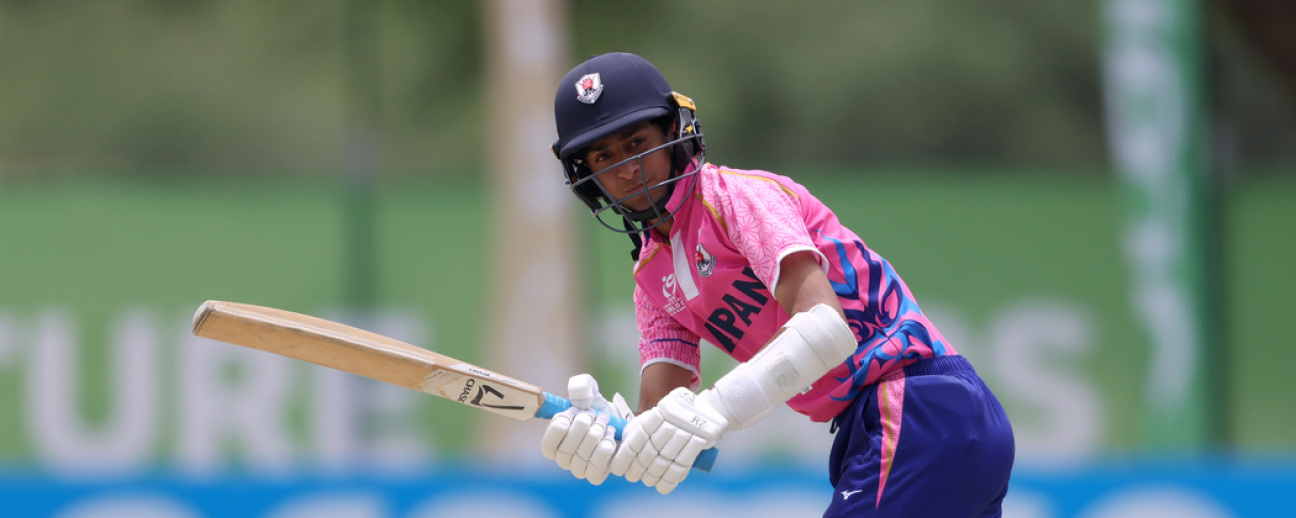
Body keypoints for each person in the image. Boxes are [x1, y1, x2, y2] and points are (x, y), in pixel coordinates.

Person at [538, 52, 1015, 517]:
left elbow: (824, 329)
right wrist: (610, 435)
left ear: (674, 131)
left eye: (637, 143)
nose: (626, 169)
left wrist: (717, 407)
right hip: (879, 427)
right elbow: (661, 416)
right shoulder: (650, 276)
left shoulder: (739, 198)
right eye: (604, 156)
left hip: (917, 407)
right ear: (586, 176)